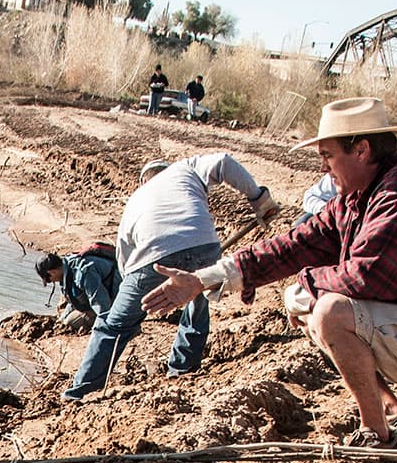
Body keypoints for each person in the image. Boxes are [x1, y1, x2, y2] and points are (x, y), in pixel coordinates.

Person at [141, 97, 397, 447]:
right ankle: (391, 410)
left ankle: (377, 434)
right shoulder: (358, 194)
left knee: (329, 312)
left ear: (361, 150)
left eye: (328, 156)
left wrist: (308, 280)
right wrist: (204, 278)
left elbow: (369, 278)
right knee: (303, 302)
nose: (324, 169)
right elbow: (294, 244)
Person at [62, 155, 279, 401]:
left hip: (151, 259)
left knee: (113, 327)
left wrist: (131, 299)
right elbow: (223, 162)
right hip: (204, 246)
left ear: (143, 180)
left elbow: (124, 260)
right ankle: (182, 369)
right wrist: (259, 199)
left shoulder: (136, 198)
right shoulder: (185, 170)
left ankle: (80, 392)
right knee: (197, 307)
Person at [34, 243, 119, 330]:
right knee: (63, 314)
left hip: (116, 296)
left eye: (48, 280)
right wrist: (61, 320)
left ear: (52, 272)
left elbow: (101, 302)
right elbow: (73, 302)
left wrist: (104, 328)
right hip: (102, 295)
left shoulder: (82, 273)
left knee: (69, 323)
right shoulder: (66, 268)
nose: (51, 282)